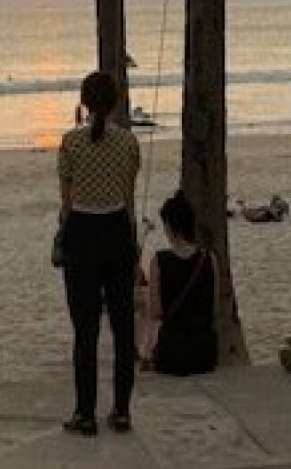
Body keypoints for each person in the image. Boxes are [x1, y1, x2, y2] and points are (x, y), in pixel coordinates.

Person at [56, 69, 140, 437]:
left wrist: (64, 233)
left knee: (85, 330)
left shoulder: (71, 142)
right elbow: (128, 197)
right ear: (116, 101)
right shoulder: (128, 143)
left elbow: (66, 201)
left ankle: (85, 413)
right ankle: (121, 411)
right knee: (123, 328)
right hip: (116, 230)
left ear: (84, 103)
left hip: (82, 233)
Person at [145, 191, 218, 376]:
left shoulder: (159, 261)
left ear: (170, 227)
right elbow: (214, 308)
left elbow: (155, 312)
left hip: (172, 353)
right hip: (204, 354)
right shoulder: (209, 258)